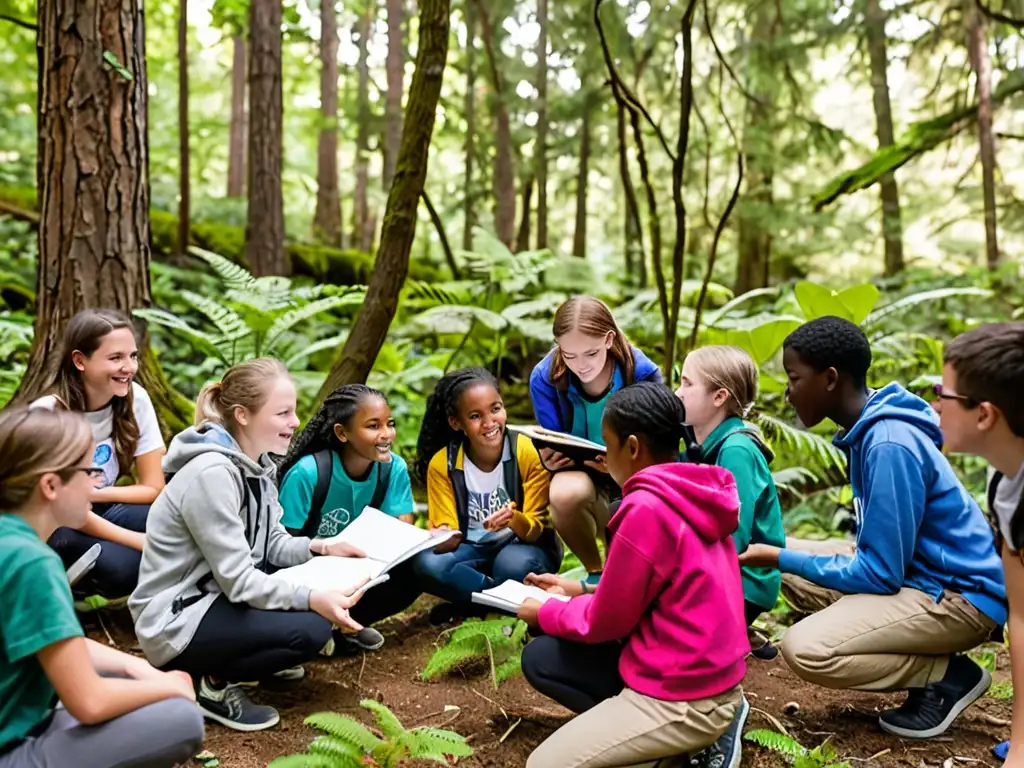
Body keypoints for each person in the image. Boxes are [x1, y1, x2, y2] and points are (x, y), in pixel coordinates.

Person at [740, 316, 1007, 740]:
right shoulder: (868, 430)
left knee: (804, 648)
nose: (788, 393)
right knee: (775, 549)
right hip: (916, 575)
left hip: (958, 596)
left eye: (793, 378)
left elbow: (880, 574)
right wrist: (775, 552)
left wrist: (776, 556)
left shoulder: (888, 444)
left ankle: (945, 676)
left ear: (830, 379)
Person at [516, 382, 749, 768]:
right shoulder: (692, 487)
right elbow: (646, 592)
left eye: (607, 445)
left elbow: (606, 621)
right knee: (543, 657)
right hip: (707, 674)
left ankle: (677, 745)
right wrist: (574, 591)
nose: (604, 456)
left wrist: (545, 612)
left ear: (633, 447)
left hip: (684, 697)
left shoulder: (645, 508)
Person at [129, 358, 369, 732]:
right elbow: (239, 581)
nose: (295, 422)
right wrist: (311, 598)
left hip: (214, 597)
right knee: (311, 628)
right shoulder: (212, 474)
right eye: (283, 413)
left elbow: (272, 544)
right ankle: (213, 685)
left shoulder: (258, 466)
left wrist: (320, 547)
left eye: (294, 411)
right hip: (176, 621)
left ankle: (252, 655)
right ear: (242, 415)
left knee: (311, 616)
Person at [0, 407, 204, 768]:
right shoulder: (32, 562)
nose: (98, 483)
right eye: (89, 471)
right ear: (50, 485)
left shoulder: (9, 539)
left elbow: (57, 643)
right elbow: (90, 702)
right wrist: (171, 686)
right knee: (180, 719)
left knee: (125, 680)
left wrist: (137, 669)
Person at [32, 309, 166, 601]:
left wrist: (95, 494)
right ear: (80, 360)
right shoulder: (49, 414)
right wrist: (141, 542)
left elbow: (155, 488)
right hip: (56, 525)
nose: (129, 367)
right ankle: (60, 587)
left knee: (166, 517)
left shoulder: (136, 399)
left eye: (133, 356)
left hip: (97, 508)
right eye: (115, 358)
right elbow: (65, 509)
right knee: (123, 567)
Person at [278, 384, 421, 653]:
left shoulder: (392, 469)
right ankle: (319, 628)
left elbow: (401, 534)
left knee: (416, 569)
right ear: (342, 433)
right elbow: (279, 548)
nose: (386, 434)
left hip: (360, 569)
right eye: (373, 426)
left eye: (389, 424)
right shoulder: (309, 474)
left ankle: (349, 626)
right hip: (309, 572)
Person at [528, 296, 662, 584]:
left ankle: (621, 575)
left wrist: (619, 466)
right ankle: (594, 571)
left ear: (608, 339)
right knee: (565, 495)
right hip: (580, 469)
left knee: (629, 561)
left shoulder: (641, 373)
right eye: (569, 355)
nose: (581, 366)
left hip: (629, 474)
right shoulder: (545, 377)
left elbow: (658, 447)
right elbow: (552, 437)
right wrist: (550, 459)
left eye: (590, 354)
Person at [939, 323, 1024, 763]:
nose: (934, 404)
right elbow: (1022, 615)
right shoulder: (1005, 484)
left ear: (985, 414)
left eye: (944, 393)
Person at [412, 367, 560, 617]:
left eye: (495, 409)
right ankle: (496, 601)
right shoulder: (443, 464)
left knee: (510, 565)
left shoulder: (526, 451)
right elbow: (448, 532)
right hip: (472, 549)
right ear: (456, 423)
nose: (490, 423)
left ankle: (477, 602)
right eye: (475, 416)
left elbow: (535, 530)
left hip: (523, 547)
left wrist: (512, 519)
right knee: (426, 563)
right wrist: (442, 536)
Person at [675, 345, 785, 627]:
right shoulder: (703, 445)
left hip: (743, 584)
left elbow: (733, 534)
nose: (678, 392)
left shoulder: (736, 449)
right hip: (726, 576)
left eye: (687, 383)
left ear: (719, 396)